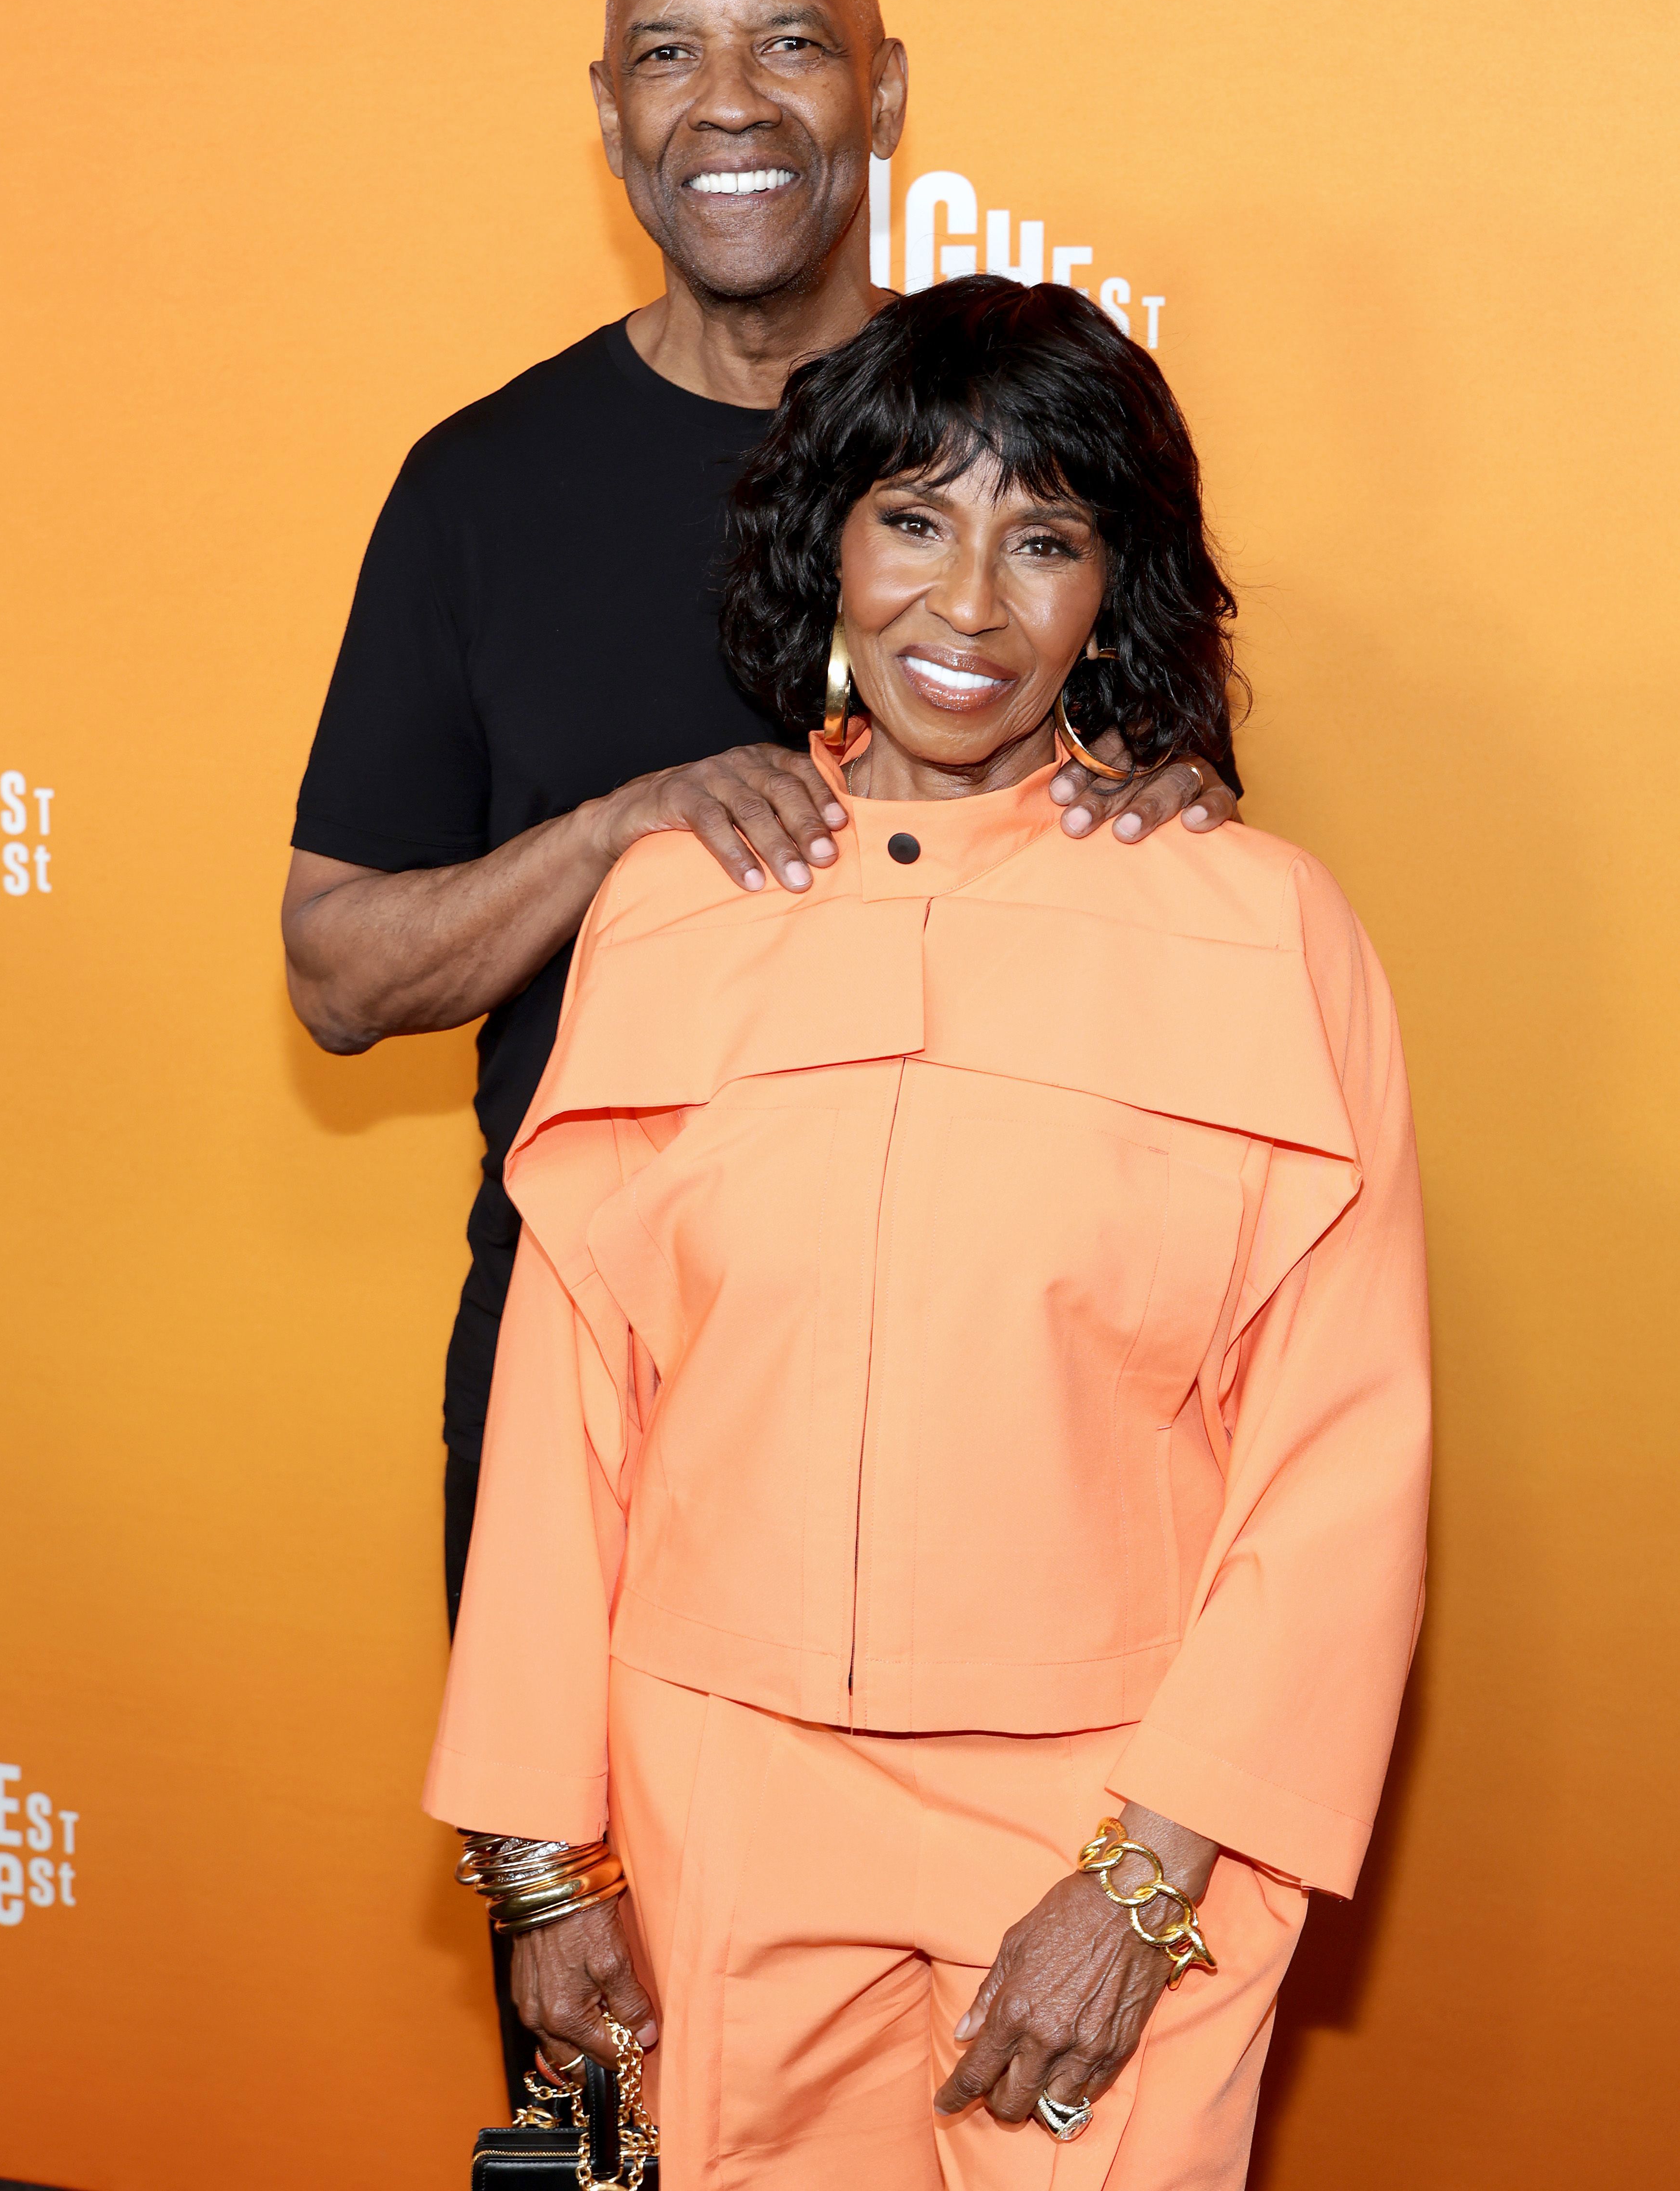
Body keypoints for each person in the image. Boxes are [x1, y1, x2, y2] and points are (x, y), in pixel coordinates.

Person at [282, 0, 1238, 2099]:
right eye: (669, 53)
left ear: (882, 87)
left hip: (1018, 1491)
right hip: (610, 1426)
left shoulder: (1040, 452)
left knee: (1013, 2095)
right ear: (606, 114)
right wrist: (617, 830)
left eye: (790, 41)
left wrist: (1175, 783)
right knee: (620, 2075)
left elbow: (1175, 863)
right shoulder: (480, 487)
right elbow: (336, 962)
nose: (732, 101)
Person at [426, 275, 1429, 2188]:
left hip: (1112, 1811)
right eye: (913, 518)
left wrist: (1148, 1876)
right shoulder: (671, 905)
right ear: (827, 546)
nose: (966, 605)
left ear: (1109, 590)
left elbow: (1339, 1450)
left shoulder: (1255, 925)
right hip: (722, 1782)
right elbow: (568, 1411)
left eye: (1041, 537)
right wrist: (543, 1857)